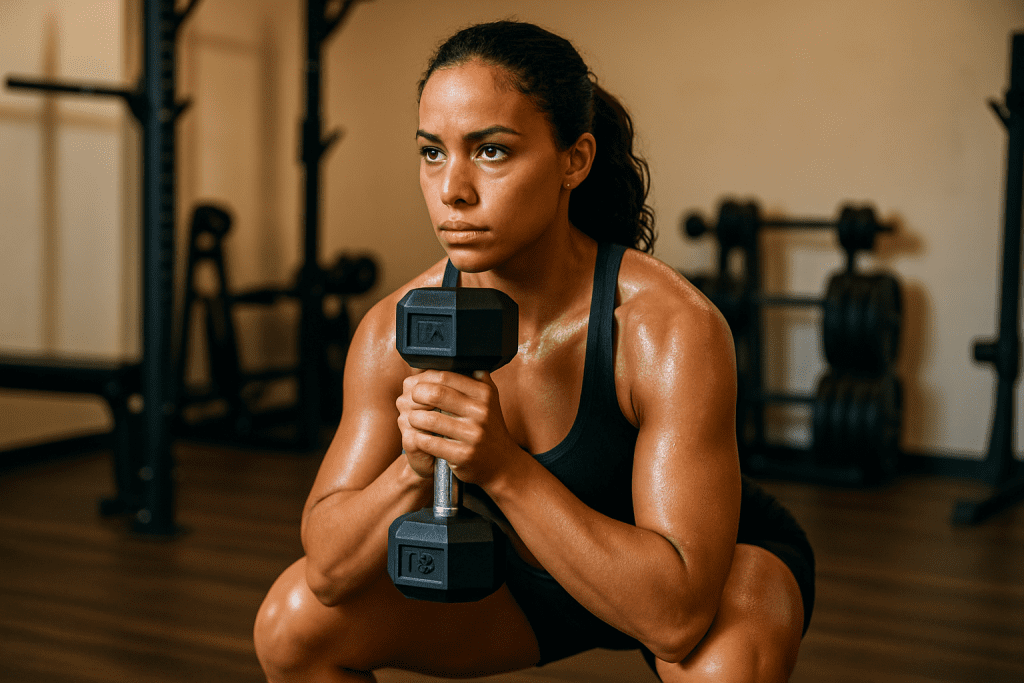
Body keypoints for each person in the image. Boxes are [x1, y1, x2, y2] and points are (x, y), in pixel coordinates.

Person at [253, 20, 814, 683]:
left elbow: (676, 617)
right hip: (529, 580)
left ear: (573, 159)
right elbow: (328, 569)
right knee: (292, 623)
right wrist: (417, 462)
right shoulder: (392, 331)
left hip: (692, 574)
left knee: (727, 667)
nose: (453, 189)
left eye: (490, 151)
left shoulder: (664, 327)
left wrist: (500, 466)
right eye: (433, 153)